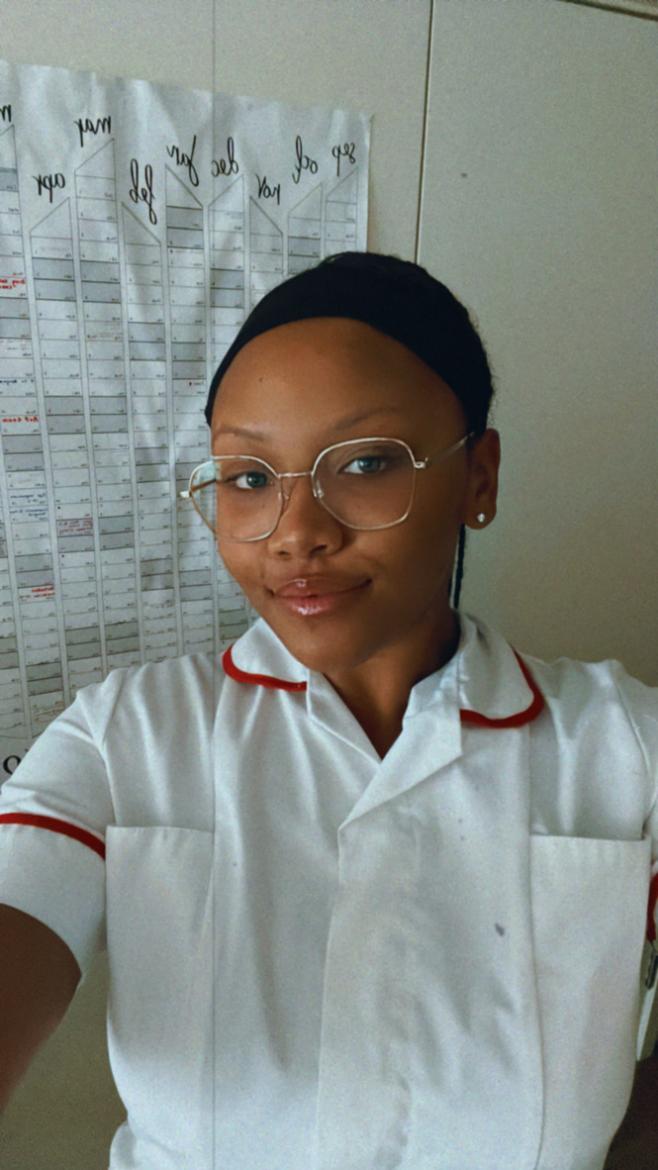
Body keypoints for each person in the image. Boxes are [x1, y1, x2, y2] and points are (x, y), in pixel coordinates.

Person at [0, 250, 656, 1170]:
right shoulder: (125, 739)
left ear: (480, 478)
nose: (298, 530)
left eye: (365, 462)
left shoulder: (626, 746)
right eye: (248, 478)